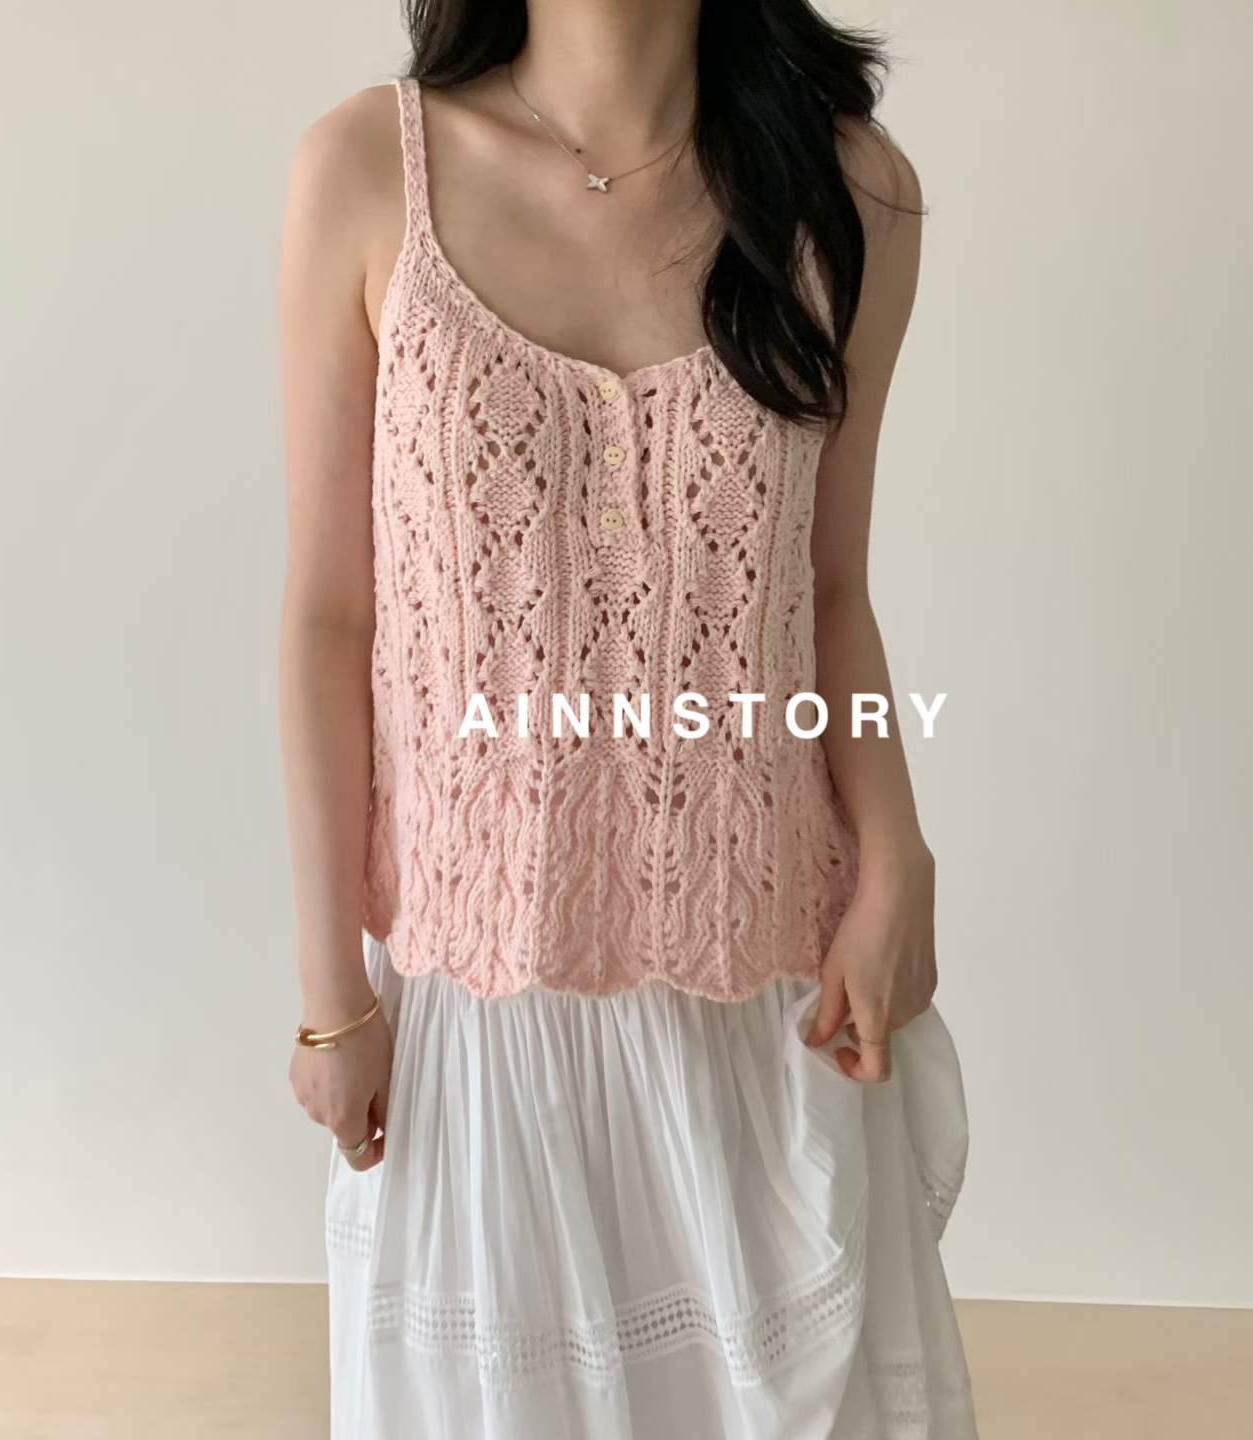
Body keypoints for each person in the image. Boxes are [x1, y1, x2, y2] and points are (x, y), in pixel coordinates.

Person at [277, 2, 977, 1435]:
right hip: (483, 1019)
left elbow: (833, 589)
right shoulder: (367, 172)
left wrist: (897, 857)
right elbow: (328, 621)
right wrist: (330, 995)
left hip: (762, 998)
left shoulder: (850, 191)